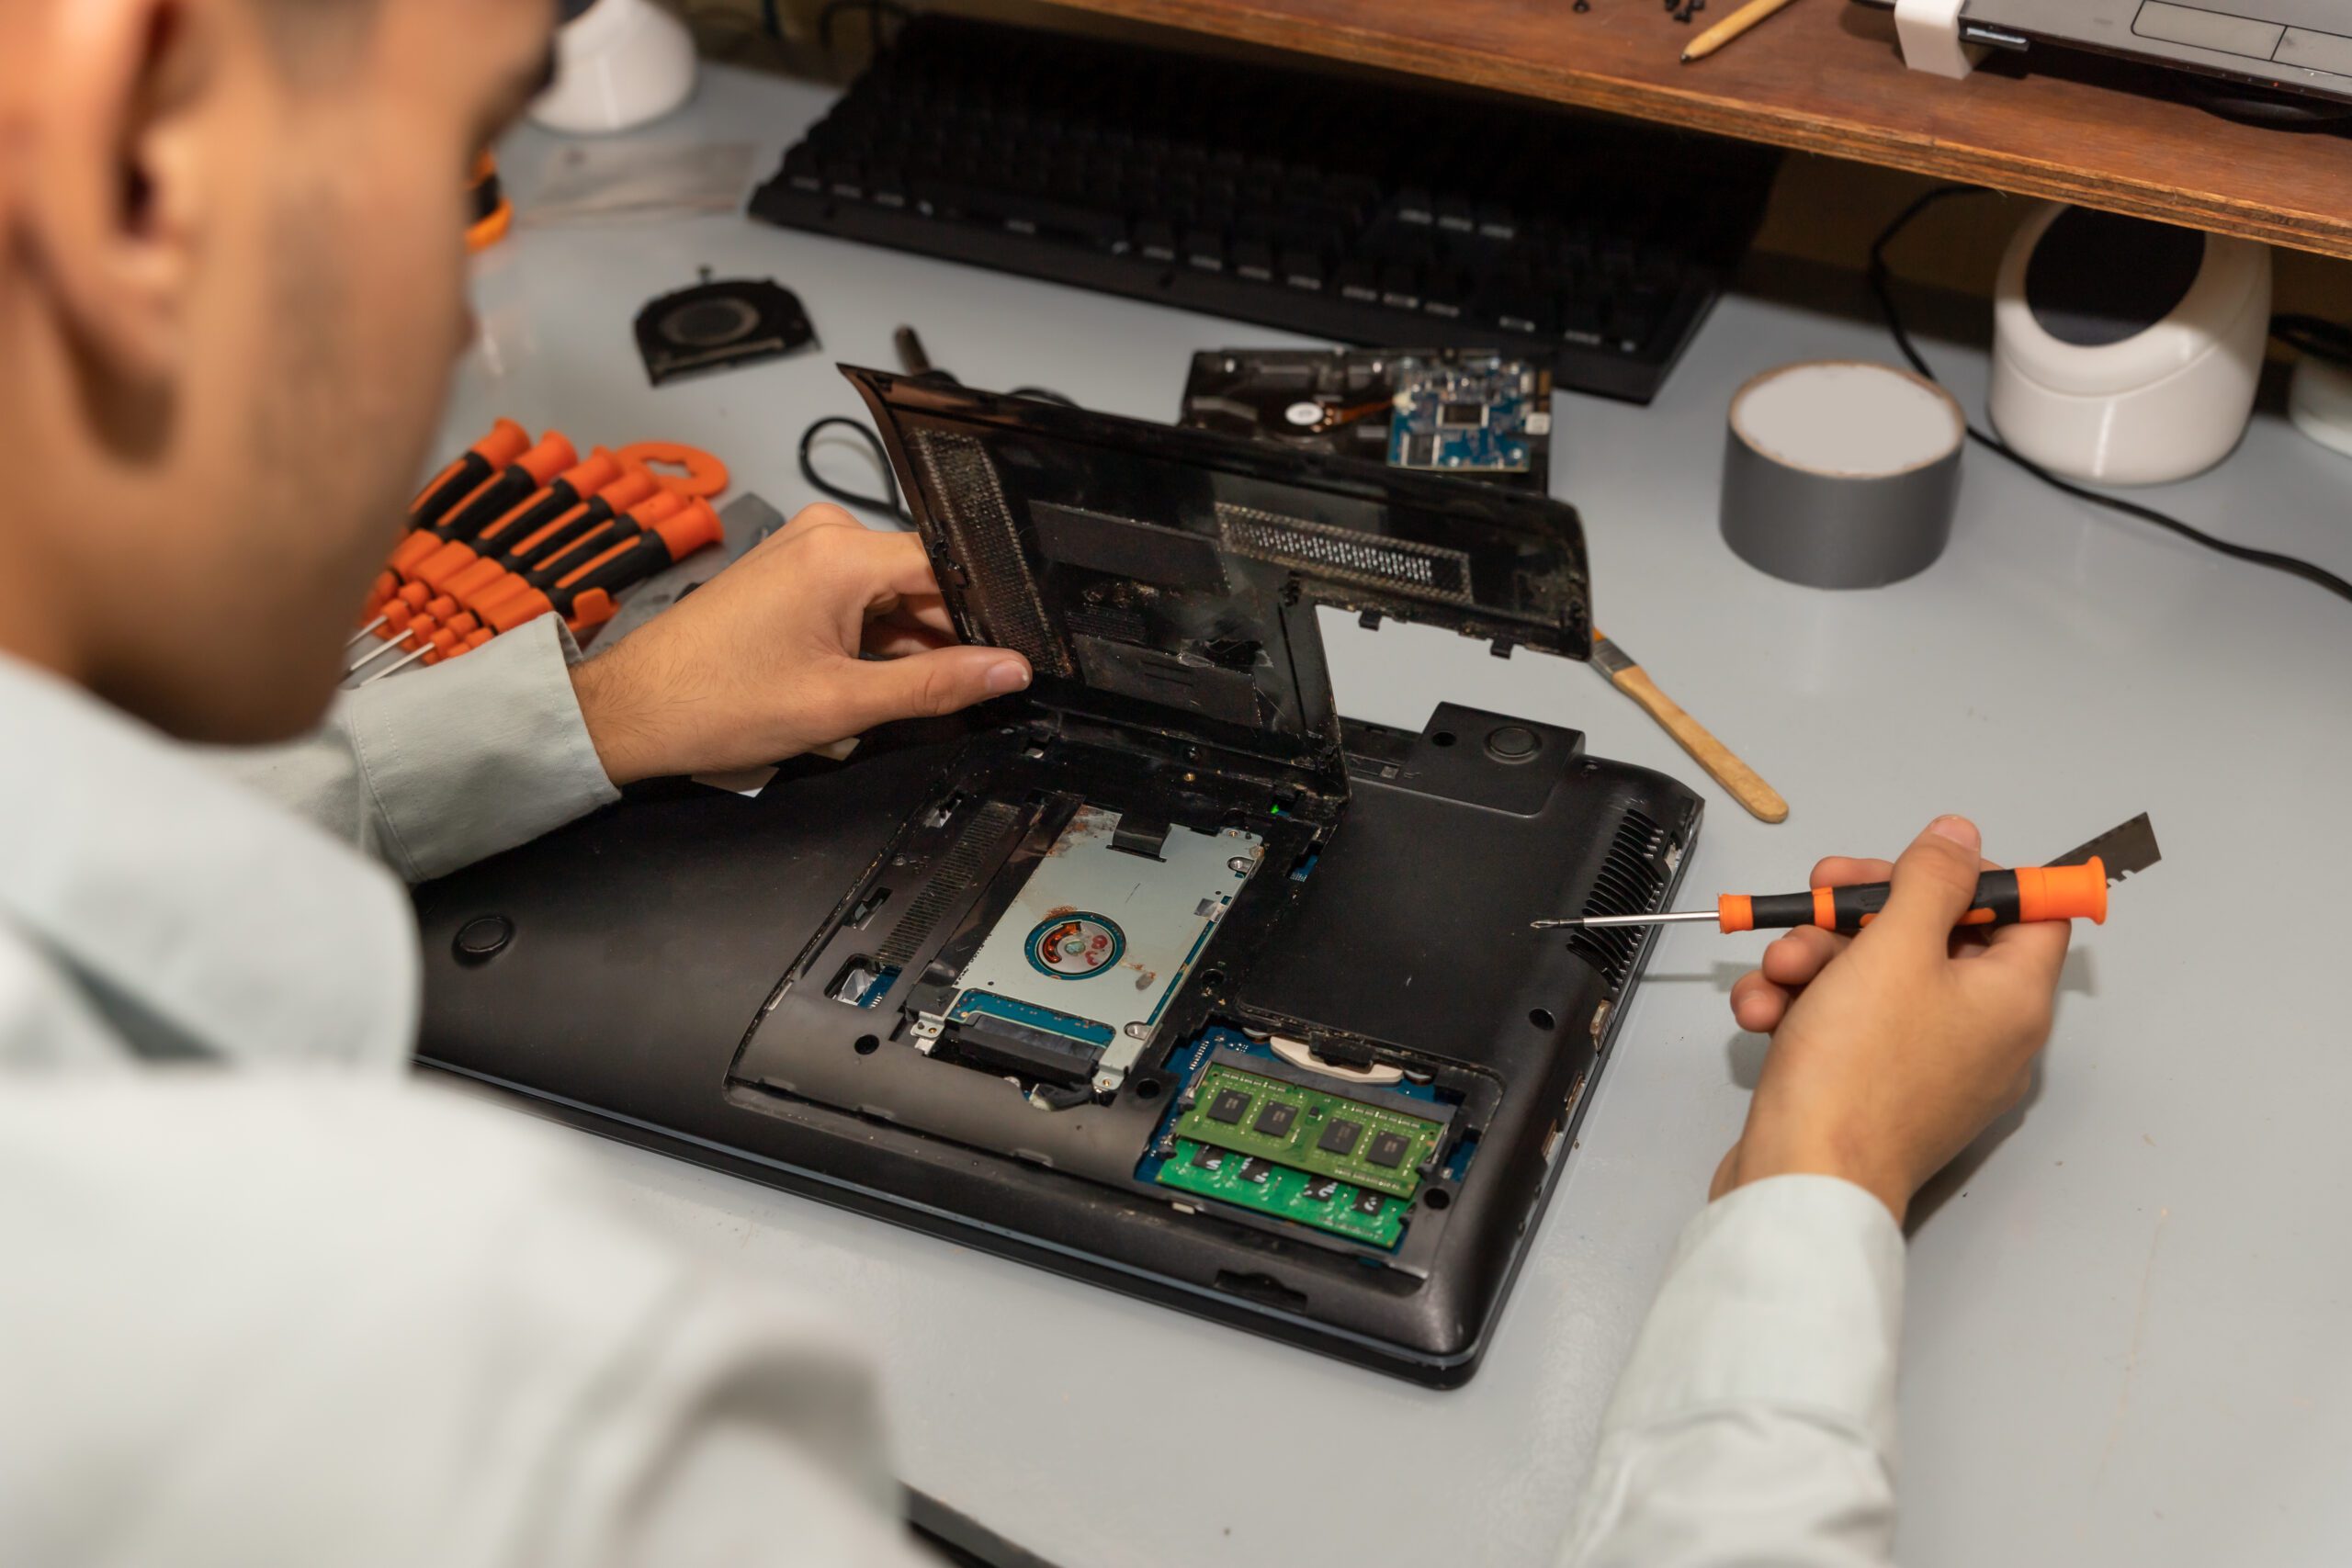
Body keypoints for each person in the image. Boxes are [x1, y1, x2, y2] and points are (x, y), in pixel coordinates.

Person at [0, 1, 2072, 1562]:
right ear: (130, 155)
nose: (467, 319)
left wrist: (605, 712)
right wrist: (1820, 1175)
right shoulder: (498, 1405)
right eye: (453, 155)